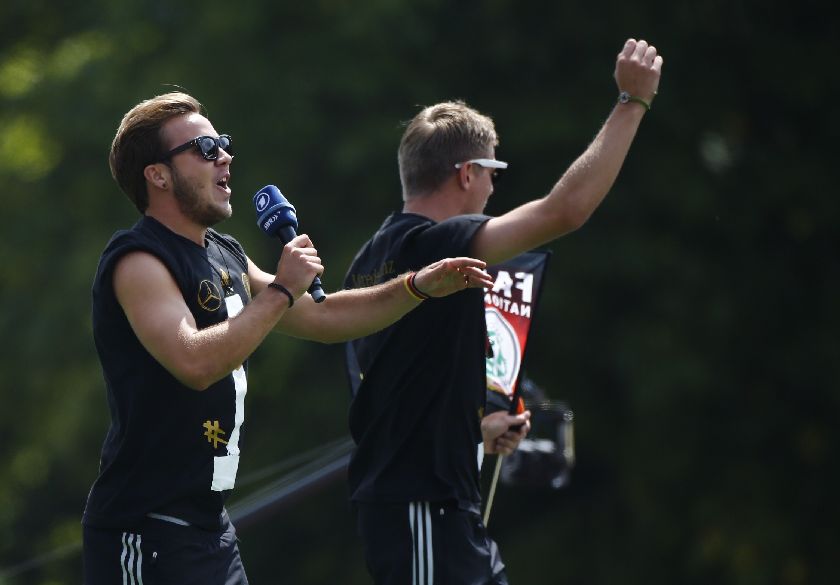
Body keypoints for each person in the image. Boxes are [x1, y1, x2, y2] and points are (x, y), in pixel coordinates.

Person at [81, 91, 494, 585]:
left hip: (209, 529)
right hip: (145, 530)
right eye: (206, 148)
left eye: (224, 144)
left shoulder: (223, 253)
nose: (225, 156)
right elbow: (193, 362)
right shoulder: (138, 260)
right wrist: (279, 289)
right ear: (158, 175)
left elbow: (325, 319)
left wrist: (417, 286)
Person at [344, 38, 663, 584]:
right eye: (493, 170)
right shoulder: (433, 245)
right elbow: (565, 210)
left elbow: (398, 397)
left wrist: (476, 432)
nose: (495, 185)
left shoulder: (369, 260)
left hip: (432, 510)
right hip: (424, 511)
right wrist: (631, 103)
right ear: (466, 172)